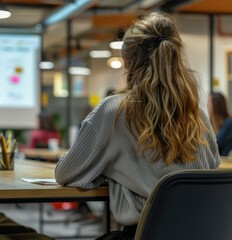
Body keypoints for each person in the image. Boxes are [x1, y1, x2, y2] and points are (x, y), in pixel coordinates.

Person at [55, 12, 220, 240]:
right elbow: (211, 170)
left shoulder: (114, 111)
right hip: (204, 233)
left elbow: (65, 174)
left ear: (127, 61)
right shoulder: (197, 114)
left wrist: (108, 171)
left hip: (145, 234)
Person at [208, 92, 232, 156]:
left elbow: (215, 144)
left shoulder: (228, 123)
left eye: (210, 102)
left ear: (216, 104)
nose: (206, 104)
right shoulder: (213, 123)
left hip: (225, 163)